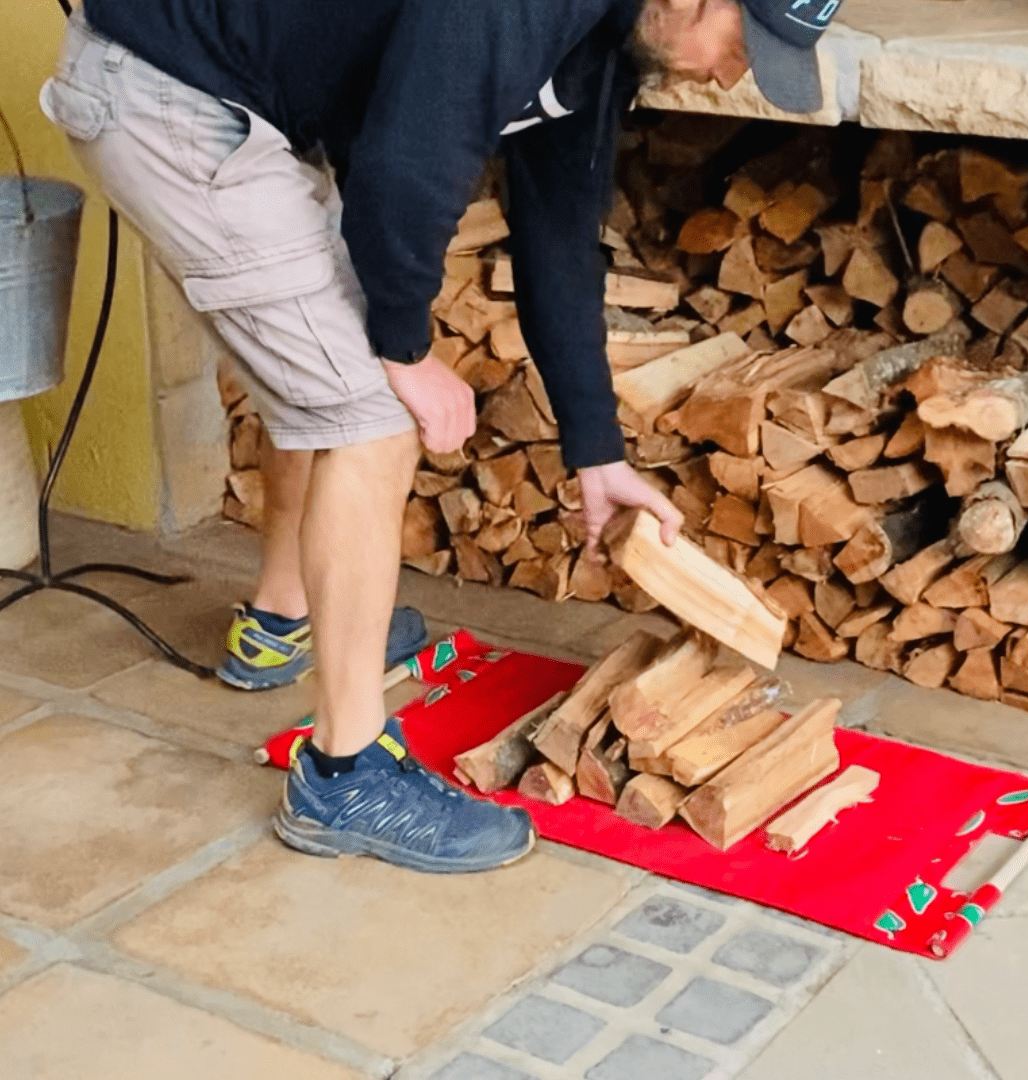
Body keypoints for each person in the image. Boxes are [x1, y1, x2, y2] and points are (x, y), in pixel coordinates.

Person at [41, 0, 839, 873]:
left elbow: (560, 240)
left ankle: (283, 622)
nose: (732, 75)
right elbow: (403, 164)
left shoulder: (604, 46)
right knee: (367, 411)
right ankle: (342, 775)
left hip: (237, 101)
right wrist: (405, 347)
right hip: (166, 92)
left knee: (332, 363)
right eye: (741, 45)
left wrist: (595, 450)